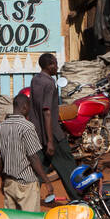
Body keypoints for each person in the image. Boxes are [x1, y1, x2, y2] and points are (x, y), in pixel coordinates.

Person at [29, 53, 79, 197]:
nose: (57, 67)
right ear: (49, 65)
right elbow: (47, 112)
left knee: (39, 169)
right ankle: (78, 199)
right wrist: (50, 140)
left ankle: (27, 199)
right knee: (68, 167)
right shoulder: (49, 83)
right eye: (55, 64)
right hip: (52, 134)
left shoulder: (35, 80)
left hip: (37, 134)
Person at [0, 92, 54, 211]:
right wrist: (46, 180)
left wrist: (3, 179)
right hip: (26, 184)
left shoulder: (1, 127)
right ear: (25, 107)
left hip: (9, 182)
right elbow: (33, 157)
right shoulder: (27, 127)